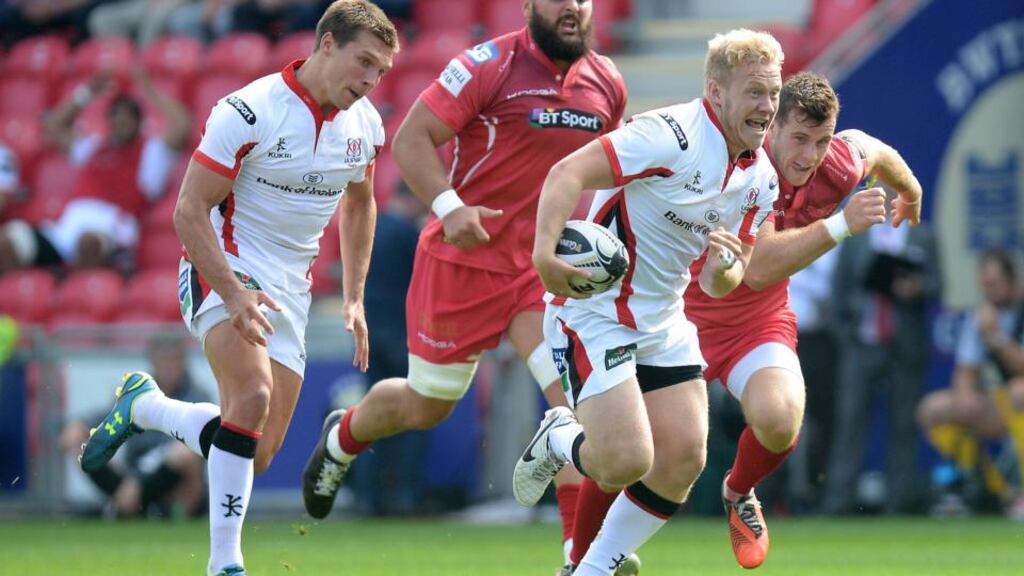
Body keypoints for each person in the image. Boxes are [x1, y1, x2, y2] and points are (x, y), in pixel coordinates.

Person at [299, 0, 626, 567]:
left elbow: (611, 169)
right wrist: (449, 208)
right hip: (462, 264)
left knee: (573, 407)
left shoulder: (608, 82)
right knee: (427, 407)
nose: (573, 6)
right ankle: (342, 437)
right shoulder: (487, 65)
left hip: (541, 272)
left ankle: (580, 558)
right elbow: (410, 140)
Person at [78, 2, 398, 575]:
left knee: (256, 452)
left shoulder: (366, 125)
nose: (371, 80)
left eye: (382, 71)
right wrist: (232, 292)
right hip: (223, 263)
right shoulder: (251, 110)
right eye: (364, 62)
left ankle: (145, 405)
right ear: (326, 45)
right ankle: (225, 564)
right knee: (250, 400)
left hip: (290, 291)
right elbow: (187, 210)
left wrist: (353, 295)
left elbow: (360, 201)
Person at [563, 71, 925, 570]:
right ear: (770, 128)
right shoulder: (744, 167)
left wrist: (910, 190)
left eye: (821, 141)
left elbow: (874, 150)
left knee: (779, 420)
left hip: (758, 320)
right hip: (678, 317)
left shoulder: (835, 164)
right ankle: (579, 562)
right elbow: (756, 266)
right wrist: (842, 225)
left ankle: (738, 492)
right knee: (625, 455)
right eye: (798, 138)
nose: (808, 155)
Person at [513, 28, 783, 576]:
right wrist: (545, 255)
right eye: (755, 91)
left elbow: (721, 283)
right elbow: (567, 172)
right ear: (717, 92)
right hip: (595, 311)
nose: (766, 106)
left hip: (662, 317)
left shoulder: (761, 180)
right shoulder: (669, 136)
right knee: (625, 460)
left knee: (683, 458)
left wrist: (725, 268)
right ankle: (559, 438)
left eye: (773, 93)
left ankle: (589, 571)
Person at [0, 68, 191, 272]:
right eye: (115, 114)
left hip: (111, 228)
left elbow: (183, 126)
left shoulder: (151, 153)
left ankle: (76, 297)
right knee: (11, 239)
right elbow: (53, 127)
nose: (121, 120)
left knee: (88, 244)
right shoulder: (94, 148)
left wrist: (150, 91)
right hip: (68, 229)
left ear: (138, 122)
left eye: (128, 116)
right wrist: (87, 92)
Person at [819, 196, 938, 515]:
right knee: (850, 423)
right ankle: (838, 502)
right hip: (862, 342)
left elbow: (938, 284)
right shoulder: (855, 237)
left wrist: (918, 287)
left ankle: (900, 503)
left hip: (906, 345)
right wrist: (847, 338)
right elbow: (838, 292)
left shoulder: (922, 234)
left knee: (904, 425)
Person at [917, 249, 1024, 519]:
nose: (989, 291)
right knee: (933, 409)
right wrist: (965, 395)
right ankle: (982, 486)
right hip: (1001, 404)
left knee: (1018, 392)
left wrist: (996, 337)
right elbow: (966, 371)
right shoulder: (982, 315)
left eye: (995, 284)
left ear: (1012, 281)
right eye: (985, 285)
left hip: (1017, 399)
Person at [61, 334, 209, 518]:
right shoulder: (137, 392)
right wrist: (78, 425)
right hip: (130, 475)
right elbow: (110, 418)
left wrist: (138, 482)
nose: (169, 368)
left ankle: (142, 507)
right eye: (164, 361)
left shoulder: (197, 395)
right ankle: (128, 503)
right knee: (78, 440)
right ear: (153, 361)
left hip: (171, 482)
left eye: (174, 361)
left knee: (185, 453)